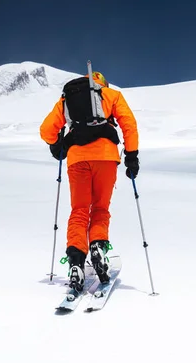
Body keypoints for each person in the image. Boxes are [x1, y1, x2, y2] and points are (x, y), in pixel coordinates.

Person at [40, 71, 139, 291]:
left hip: (77, 160)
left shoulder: (67, 98)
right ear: (102, 84)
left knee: (79, 210)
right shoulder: (111, 95)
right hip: (106, 158)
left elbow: (46, 130)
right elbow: (129, 124)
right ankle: (97, 247)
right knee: (100, 208)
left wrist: (56, 143)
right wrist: (131, 155)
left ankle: (76, 262)